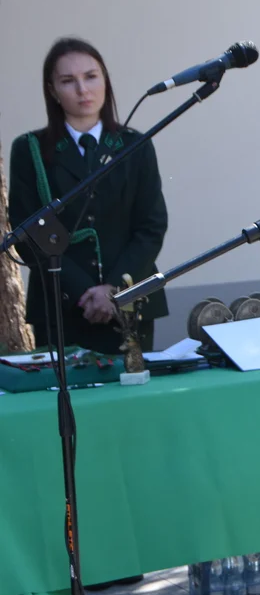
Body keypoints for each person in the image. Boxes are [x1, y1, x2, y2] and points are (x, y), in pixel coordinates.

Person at [7, 37, 168, 357]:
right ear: (52, 91)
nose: (82, 89)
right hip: (62, 308)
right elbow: (28, 231)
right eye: (68, 81)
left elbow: (151, 226)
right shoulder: (30, 150)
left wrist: (113, 291)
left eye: (91, 76)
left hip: (130, 302)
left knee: (132, 404)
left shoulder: (135, 145)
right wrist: (86, 293)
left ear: (105, 80)